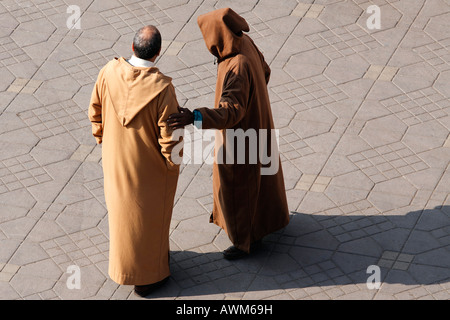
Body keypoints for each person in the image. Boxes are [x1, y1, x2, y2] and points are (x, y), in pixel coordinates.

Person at [168, 8, 290, 260]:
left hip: (241, 137)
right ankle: (265, 223)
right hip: (258, 124)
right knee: (261, 180)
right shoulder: (245, 43)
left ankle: (246, 241)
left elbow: (232, 110)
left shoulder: (236, 64)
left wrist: (194, 116)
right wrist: (255, 100)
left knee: (238, 187)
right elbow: (266, 71)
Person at [88, 25, 183, 297]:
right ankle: (149, 277)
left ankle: (123, 268)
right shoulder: (163, 88)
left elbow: (94, 109)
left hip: (115, 162)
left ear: (132, 48)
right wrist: (171, 165)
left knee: (122, 219)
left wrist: (103, 140)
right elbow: (171, 135)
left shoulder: (108, 71)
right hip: (149, 170)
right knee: (149, 218)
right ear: (158, 54)